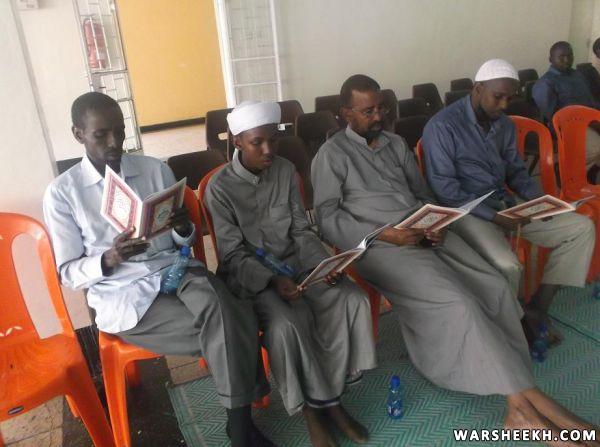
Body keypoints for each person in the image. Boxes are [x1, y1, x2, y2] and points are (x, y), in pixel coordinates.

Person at [312, 74, 599, 443]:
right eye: (367, 112)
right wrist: (386, 234)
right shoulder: (332, 155)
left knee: (494, 285)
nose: (378, 116)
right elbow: (327, 217)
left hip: (421, 234)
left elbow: (422, 194)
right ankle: (528, 404)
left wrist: (434, 223)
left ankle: (520, 406)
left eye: (381, 108)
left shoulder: (395, 144)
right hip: (378, 245)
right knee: (458, 302)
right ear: (345, 114)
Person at [43, 92, 273, 447]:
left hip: (176, 269)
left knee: (222, 309)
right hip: (124, 292)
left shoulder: (153, 170)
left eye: (120, 131)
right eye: (101, 135)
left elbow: (184, 242)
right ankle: (241, 429)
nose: (115, 142)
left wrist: (181, 227)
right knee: (235, 321)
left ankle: (238, 426)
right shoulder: (63, 193)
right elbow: (68, 273)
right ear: (78, 134)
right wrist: (109, 258)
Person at [204, 101, 377, 447]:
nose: (268, 150)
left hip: (299, 264)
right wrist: (271, 280)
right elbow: (233, 254)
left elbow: (301, 230)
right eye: (257, 142)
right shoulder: (219, 188)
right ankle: (312, 411)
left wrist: (323, 266)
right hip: (253, 280)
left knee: (348, 298)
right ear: (237, 142)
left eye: (274, 140)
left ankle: (332, 401)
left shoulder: (284, 170)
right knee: (288, 324)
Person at [423, 58, 595, 345]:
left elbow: (516, 171)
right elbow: (446, 190)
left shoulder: (502, 124)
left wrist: (539, 200)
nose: (504, 105)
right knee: (508, 265)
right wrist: (494, 217)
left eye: (509, 98)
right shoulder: (442, 126)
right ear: (478, 88)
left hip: (505, 203)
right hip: (467, 212)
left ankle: (536, 309)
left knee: (579, 229)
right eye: (498, 97)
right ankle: (514, 323)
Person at [532, 41, 600, 182]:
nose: (567, 60)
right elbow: (555, 117)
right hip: (569, 125)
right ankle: (565, 168)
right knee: (596, 148)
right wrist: (589, 122)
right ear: (550, 59)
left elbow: (590, 99)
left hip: (590, 118)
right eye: (561, 56)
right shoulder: (545, 83)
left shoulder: (577, 75)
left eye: (570, 55)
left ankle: (590, 171)